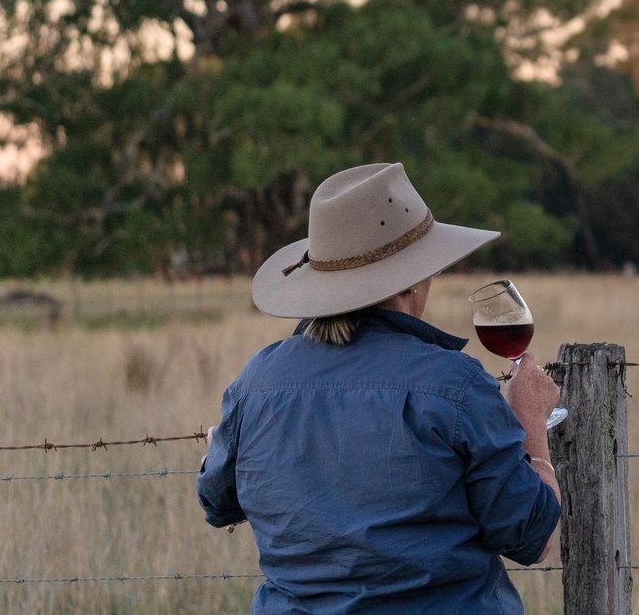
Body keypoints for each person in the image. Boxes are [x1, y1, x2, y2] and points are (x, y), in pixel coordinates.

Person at [198, 162, 563, 613]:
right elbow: (533, 537)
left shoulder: (256, 383)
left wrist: (219, 450)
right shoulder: (456, 386)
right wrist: (532, 424)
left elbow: (216, 501)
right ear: (411, 279)